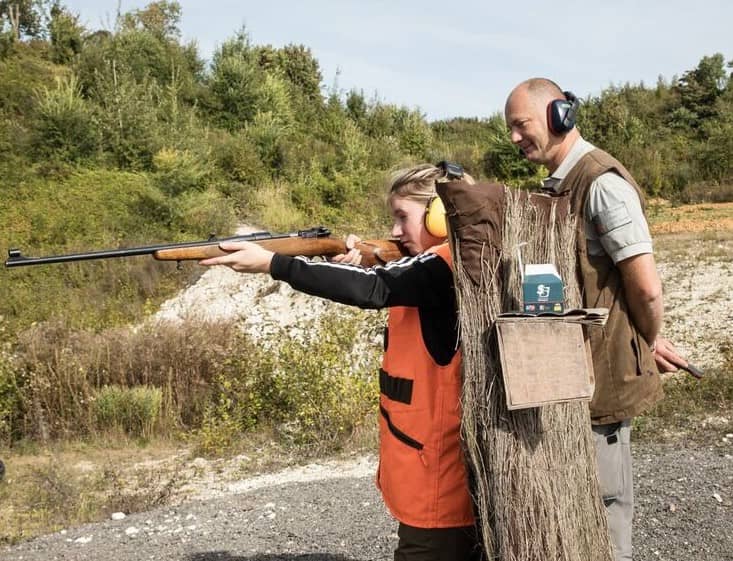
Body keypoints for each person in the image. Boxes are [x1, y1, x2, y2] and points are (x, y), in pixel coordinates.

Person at [200, 163, 483, 561]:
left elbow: (375, 289)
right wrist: (366, 258)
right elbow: (394, 277)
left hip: (438, 491)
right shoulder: (452, 262)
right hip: (431, 480)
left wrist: (274, 263)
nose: (397, 231)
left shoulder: (445, 265)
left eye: (404, 217)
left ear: (440, 215)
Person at [504, 77, 691, 561]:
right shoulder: (563, 183)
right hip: (573, 377)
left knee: (604, 512)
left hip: (600, 380)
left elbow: (646, 287)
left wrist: (646, 340)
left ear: (558, 115)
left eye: (521, 125)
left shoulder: (601, 184)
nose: (514, 138)